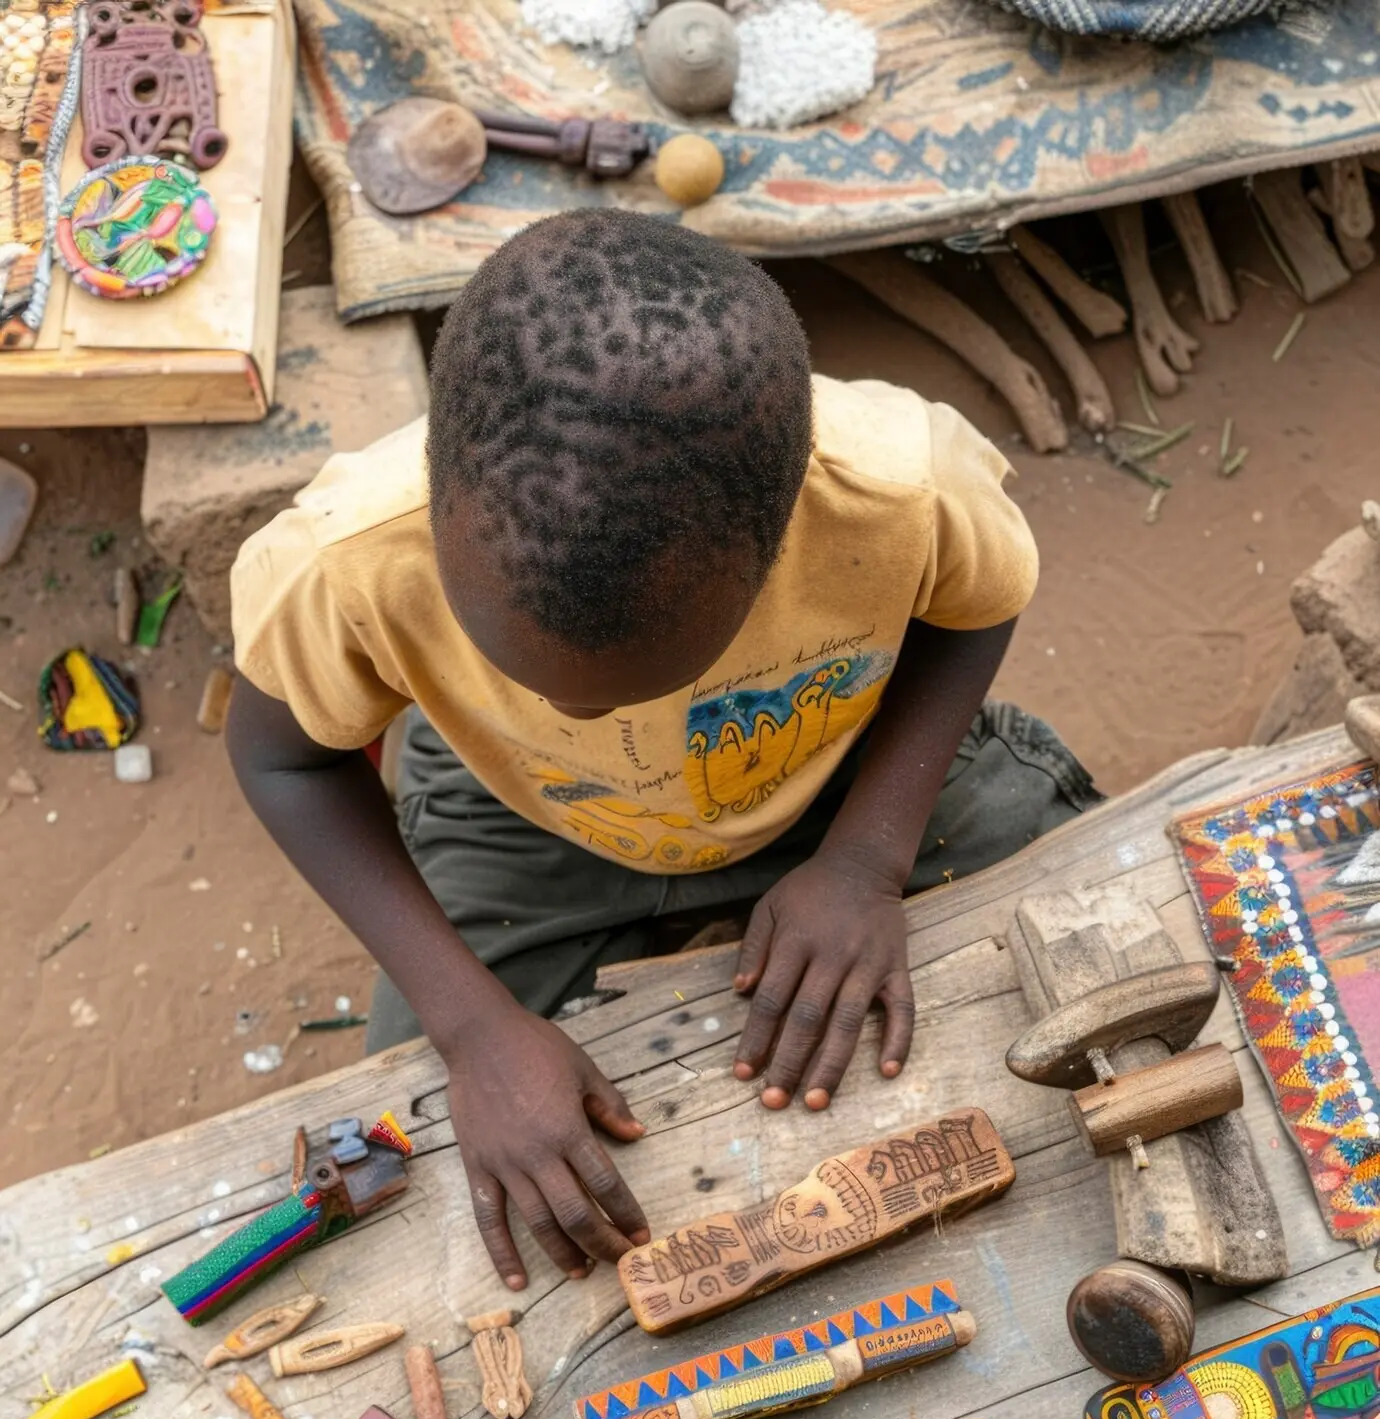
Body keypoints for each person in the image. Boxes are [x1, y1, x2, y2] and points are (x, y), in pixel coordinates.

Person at [228, 210, 1096, 1292]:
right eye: (519, 671)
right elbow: (285, 761)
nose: (578, 714)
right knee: (422, 1130)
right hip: (524, 811)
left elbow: (978, 607)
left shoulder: (899, 491)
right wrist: (472, 1029)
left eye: (639, 681)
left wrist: (868, 856)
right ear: (432, 503)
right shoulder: (345, 558)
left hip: (838, 755)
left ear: (785, 541)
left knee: (1090, 914)